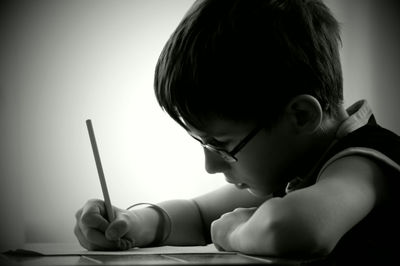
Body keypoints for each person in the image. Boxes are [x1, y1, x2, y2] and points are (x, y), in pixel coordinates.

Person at [74, 0, 400, 263]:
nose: (211, 166)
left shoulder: (365, 159)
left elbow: (294, 228)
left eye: (222, 146)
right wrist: (132, 223)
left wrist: (230, 232)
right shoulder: (296, 166)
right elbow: (200, 216)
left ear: (300, 116)